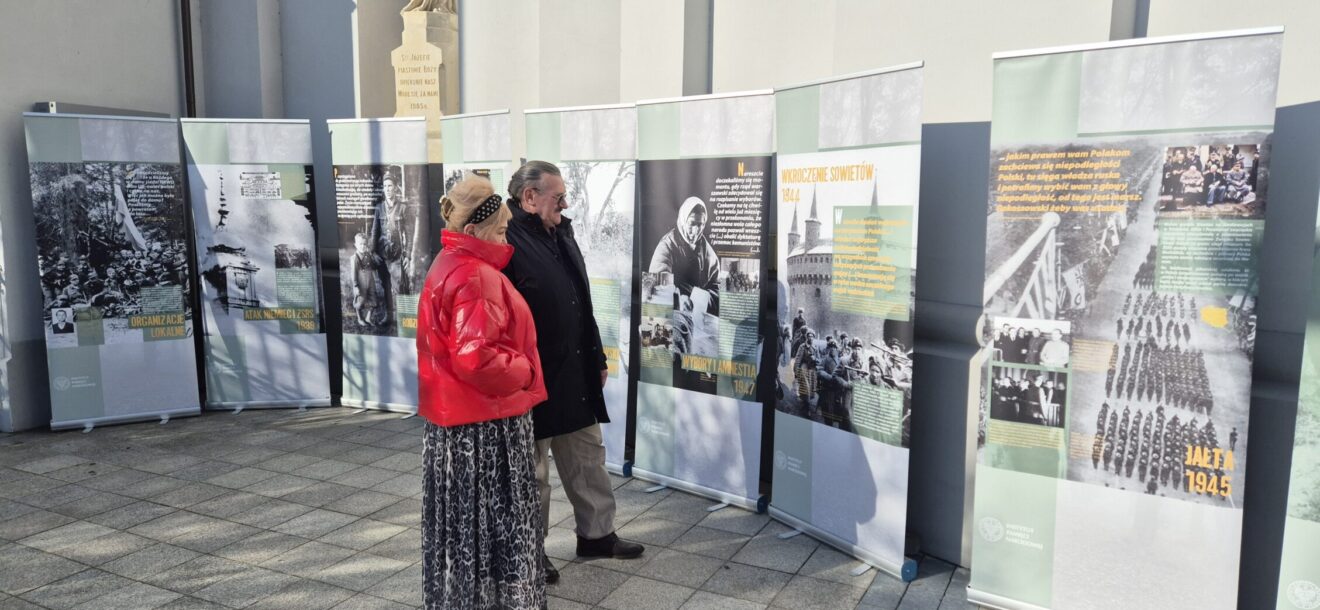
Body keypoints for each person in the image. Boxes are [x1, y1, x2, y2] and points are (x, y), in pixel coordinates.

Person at [501, 162, 644, 585]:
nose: (565, 204)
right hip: (536, 376)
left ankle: (597, 535)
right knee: (534, 471)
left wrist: (596, 357)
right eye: (558, 197)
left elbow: (581, 299)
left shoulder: (561, 233)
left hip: (576, 369)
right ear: (529, 197)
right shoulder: (506, 240)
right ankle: (531, 552)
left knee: (587, 457)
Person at [416, 177, 548, 609]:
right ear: (474, 230)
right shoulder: (476, 275)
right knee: (499, 522)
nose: (507, 239)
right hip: (487, 428)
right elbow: (476, 358)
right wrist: (527, 369)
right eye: (502, 230)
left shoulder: (448, 262)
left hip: (456, 425)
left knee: (464, 527)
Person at [648, 196, 720, 312]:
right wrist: (677, 300)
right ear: (682, 220)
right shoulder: (666, 246)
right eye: (692, 223)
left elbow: (718, 290)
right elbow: (657, 284)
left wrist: (702, 299)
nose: (696, 231)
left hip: (699, 315)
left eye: (700, 224)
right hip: (672, 313)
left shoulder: (710, 254)